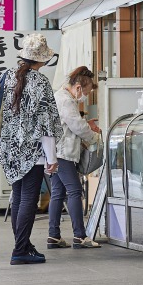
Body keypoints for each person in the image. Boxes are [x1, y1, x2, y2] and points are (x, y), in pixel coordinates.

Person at [0, 33, 64, 265]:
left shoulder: (5, 77)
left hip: (9, 148)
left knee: (18, 197)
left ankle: (23, 246)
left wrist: (5, 145)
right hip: (32, 151)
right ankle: (20, 250)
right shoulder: (41, 83)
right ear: (43, 60)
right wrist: (52, 157)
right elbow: (47, 123)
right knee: (28, 198)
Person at [46, 65, 103, 249]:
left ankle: (54, 236)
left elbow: (72, 123)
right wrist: (94, 138)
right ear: (78, 87)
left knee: (58, 193)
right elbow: (76, 126)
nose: (84, 97)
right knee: (75, 191)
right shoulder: (66, 100)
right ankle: (79, 236)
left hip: (57, 152)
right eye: (85, 92)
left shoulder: (62, 98)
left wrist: (86, 124)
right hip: (63, 154)